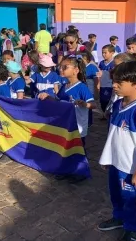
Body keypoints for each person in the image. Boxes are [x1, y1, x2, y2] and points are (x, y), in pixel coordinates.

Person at [98, 61, 136, 241]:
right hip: (115, 161)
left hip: (130, 166)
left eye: (119, 83)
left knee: (130, 199)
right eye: (114, 81)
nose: (114, 85)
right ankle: (118, 217)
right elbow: (113, 134)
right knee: (115, 193)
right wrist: (108, 156)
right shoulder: (117, 104)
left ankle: (132, 228)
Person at [39, 54, 95, 184]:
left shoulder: (82, 88)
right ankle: (66, 169)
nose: (61, 69)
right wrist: (48, 97)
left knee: (78, 149)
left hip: (78, 125)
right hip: (65, 125)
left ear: (76, 70)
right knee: (66, 146)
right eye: (60, 67)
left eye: (65, 67)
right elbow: (58, 101)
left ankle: (80, 171)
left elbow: (93, 104)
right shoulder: (64, 86)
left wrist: (84, 104)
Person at [99, 45, 115, 118]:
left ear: (112, 53)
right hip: (102, 85)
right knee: (102, 101)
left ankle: (108, 114)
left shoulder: (114, 63)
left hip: (110, 86)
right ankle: (104, 114)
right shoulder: (101, 63)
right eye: (102, 53)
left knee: (108, 100)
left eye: (105, 53)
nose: (103, 54)